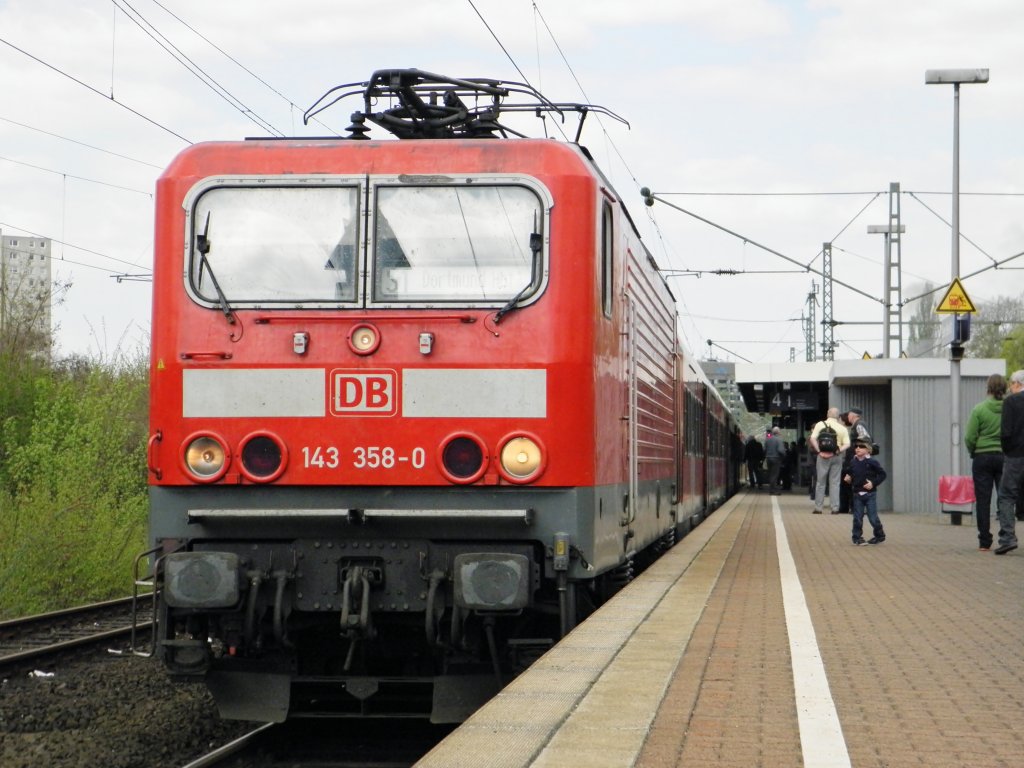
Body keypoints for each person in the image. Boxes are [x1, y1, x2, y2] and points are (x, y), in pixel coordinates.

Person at [964, 373, 1006, 551]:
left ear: (988, 388)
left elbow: (969, 436)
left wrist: (974, 451)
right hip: (1004, 457)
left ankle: (985, 541)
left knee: (983, 500)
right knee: (1005, 498)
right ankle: (1006, 536)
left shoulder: (979, 409)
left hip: (982, 457)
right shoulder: (1009, 409)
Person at [994, 370, 1024, 555]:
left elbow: (1005, 432)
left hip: (1015, 455)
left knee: (1006, 495)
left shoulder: (1011, 402)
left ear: (1017, 384)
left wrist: (1008, 451)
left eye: (1011, 384)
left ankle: (1008, 538)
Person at [844, 439, 887, 545]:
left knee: (872, 517)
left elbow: (882, 474)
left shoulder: (872, 462)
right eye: (856, 446)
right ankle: (857, 537)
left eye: (861, 446)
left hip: (870, 494)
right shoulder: (853, 461)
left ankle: (879, 535)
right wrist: (848, 477)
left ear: (868, 450)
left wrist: (873, 483)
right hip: (857, 494)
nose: (858, 448)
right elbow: (850, 472)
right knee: (857, 517)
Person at [809, 407, 850, 514]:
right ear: (838, 416)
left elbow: (812, 438)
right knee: (835, 483)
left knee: (820, 482)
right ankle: (835, 508)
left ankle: (818, 508)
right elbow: (847, 444)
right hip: (836, 457)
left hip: (822, 456)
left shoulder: (820, 424)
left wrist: (819, 451)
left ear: (827, 414)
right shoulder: (842, 428)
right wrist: (837, 451)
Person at [838, 408, 872, 514]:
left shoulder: (859, 425)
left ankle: (855, 507)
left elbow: (865, 438)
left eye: (849, 415)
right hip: (852, 457)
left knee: (854, 482)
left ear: (853, 415)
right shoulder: (856, 425)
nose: (847, 417)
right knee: (848, 481)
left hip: (855, 457)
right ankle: (849, 507)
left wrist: (858, 452)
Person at [764, 426, 784, 494]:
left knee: (771, 474)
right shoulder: (779, 440)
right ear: (778, 433)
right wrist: (784, 456)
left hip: (768, 458)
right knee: (775, 475)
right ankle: (773, 490)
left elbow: (764, 449)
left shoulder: (768, 438)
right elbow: (781, 450)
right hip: (776, 458)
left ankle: (771, 489)